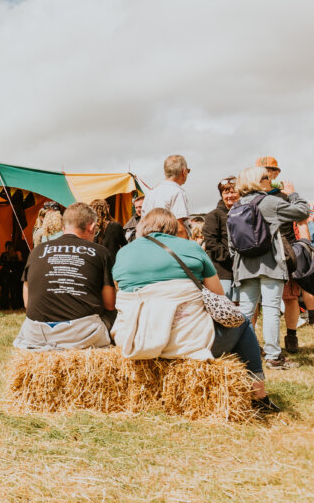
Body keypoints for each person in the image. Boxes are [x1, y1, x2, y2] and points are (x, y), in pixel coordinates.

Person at [111, 208, 277, 411]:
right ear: (174, 228)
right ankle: (259, 395)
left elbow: (119, 291)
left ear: (141, 227)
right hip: (188, 342)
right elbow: (217, 295)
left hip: (136, 341)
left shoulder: (123, 253)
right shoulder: (191, 247)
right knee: (243, 323)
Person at [232, 166, 310, 370]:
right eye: (267, 177)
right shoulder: (270, 202)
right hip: (270, 264)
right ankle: (274, 357)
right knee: (271, 309)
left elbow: (233, 243)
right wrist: (292, 192)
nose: (271, 181)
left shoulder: (236, 205)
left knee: (247, 310)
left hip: (244, 266)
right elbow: (303, 211)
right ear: (260, 181)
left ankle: (240, 354)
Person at [13, 203, 115, 351]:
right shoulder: (100, 252)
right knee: (116, 314)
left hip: (36, 334)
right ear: (92, 227)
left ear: (63, 227)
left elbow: (28, 303)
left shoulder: (37, 251)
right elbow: (110, 304)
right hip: (81, 335)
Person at [257, 156, 307, 353]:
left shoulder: (284, 197)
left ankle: (292, 335)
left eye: (270, 170)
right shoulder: (252, 197)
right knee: (259, 301)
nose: (266, 174)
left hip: (285, 251)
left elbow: (302, 215)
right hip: (261, 252)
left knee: (290, 297)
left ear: (276, 174)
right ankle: (256, 341)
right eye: (263, 171)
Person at [202, 177, 239, 297]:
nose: (230, 195)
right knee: (224, 304)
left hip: (243, 270)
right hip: (222, 271)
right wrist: (230, 258)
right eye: (226, 192)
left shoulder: (246, 213)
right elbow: (211, 242)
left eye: (233, 191)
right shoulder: (214, 216)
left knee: (244, 307)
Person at [141, 155, 190, 231]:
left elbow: (142, 224)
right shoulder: (177, 192)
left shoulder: (150, 193)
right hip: (169, 241)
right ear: (183, 172)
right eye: (188, 171)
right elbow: (179, 228)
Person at [0, 241, 25, 310]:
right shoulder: (16, 254)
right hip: (14, 275)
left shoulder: (4, 254)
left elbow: (0, 263)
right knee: (14, 292)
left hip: (6, 274)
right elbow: (20, 264)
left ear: (6, 247)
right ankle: (15, 306)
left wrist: (5, 263)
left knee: (5, 291)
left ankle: (4, 306)